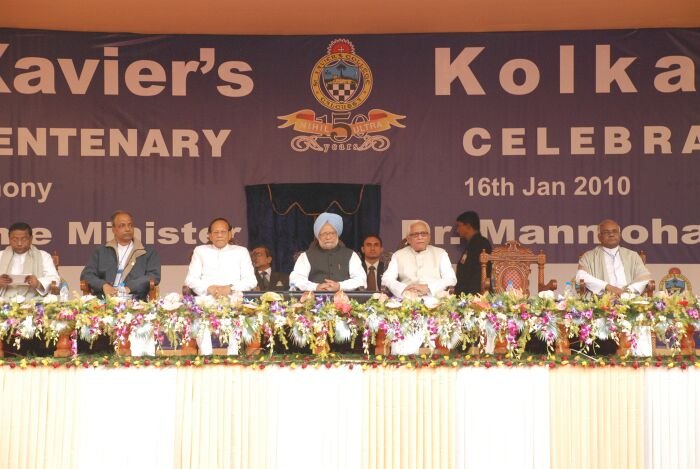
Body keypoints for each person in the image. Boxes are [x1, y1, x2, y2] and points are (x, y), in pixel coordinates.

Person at [81, 210, 161, 301]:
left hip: (135, 300)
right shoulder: (101, 251)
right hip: (104, 301)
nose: (127, 229)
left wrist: (130, 288)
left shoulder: (147, 252)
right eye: (122, 225)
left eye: (130, 225)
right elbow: (87, 275)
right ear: (113, 229)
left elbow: (153, 276)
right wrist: (104, 286)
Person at [289, 212, 366, 292]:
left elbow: (361, 280)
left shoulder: (351, 255)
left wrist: (340, 286)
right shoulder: (305, 256)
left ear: (337, 235)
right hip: (313, 298)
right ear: (318, 236)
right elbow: (295, 280)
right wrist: (316, 287)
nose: (328, 237)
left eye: (332, 233)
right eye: (324, 234)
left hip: (345, 299)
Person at [576, 219, 652, 296]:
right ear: (599, 237)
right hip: (601, 300)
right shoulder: (589, 257)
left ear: (619, 235)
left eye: (614, 231)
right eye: (606, 232)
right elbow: (580, 276)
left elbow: (645, 277)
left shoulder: (632, 255)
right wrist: (607, 287)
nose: (611, 234)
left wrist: (627, 292)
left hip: (630, 298)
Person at [382, 220, 457, 298]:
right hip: (406, 299)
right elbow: (386, 279)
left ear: (429, 237)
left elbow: (451, 278)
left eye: (423, 234)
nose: (420, 237)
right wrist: (404, 288)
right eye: (415, 234)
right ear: (408, 239)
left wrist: (429, 288)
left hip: (434, 299)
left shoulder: (441, 253)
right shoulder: (398, 255)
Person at [185, 218, 257, 296]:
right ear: (210, 236)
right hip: (206, 298)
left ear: (230, 234)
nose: (219, 235)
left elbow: (251, 280)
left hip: (234, 298)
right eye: (216, 232)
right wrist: (209, 288)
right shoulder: (200, 250)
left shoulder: (241, 251)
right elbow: (190, 279)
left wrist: (231, 289)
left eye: (223, 232)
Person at [0, 222, 60, 300]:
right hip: (3, 301)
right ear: (9, 239)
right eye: (14, 240)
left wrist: (38, 283)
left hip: (34, 301)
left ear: (31, 239)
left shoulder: (43, 256)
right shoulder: (1, 255)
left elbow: (54, 280)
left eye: (24, 239)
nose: (19, 243)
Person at [454, 211, 492, 296]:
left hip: (475, 296)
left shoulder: (482, 243)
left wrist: (473, 297)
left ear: (468, 226)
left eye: (459, 226)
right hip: (467, 295)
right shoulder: (471, 244)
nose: (457, 230)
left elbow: (480, 273)